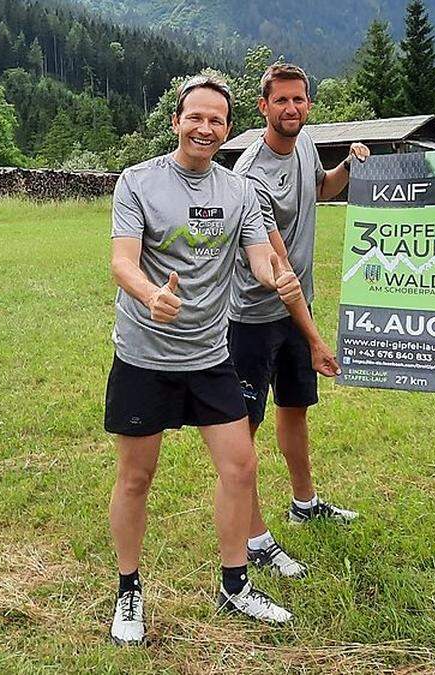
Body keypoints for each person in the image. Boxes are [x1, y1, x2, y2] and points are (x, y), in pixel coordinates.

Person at [105, 74, 334, 645]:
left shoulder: (239, 192)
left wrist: (275, 274)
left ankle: (236, 584)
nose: (205, 128)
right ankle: (129, 592)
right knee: (137, 477)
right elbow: (122, 262)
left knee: (240, 467)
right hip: (145, 355)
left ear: (229, 128)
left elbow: (259, 256)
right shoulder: (138, 183)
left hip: (209, 354)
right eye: (195, 117)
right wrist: (149, 293)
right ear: (177, 121)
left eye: (216, 120)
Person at [228, 63, 369, 578]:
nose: (292, 108)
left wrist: (350, 168)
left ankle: (304, 503)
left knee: (295, 408)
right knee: (243, 427)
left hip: (297, 307)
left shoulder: (306, 144)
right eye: (281, 101)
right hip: (253, 317)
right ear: (262, 106)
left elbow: (325, 190)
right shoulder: (250, 175)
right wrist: (315, 338)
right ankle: (254, 535)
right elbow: (278, 262)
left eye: (300, 100)